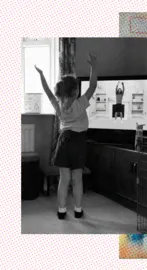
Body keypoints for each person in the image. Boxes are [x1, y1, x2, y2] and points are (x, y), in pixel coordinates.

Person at [35, 52, 98, 220]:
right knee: (77, 178)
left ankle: (61, 211)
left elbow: (47, 91)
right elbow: (92, 86)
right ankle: (78, 210)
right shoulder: (80, 103)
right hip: (78, 142)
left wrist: (41, 75)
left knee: (64, 179)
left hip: (63, 141)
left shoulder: (58, 105)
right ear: (76, 91)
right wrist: (93, 66)